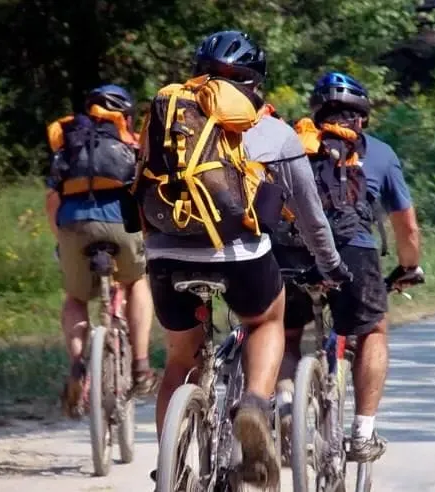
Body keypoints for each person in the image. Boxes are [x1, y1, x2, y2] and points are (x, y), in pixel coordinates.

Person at [135, 30, 350, 487]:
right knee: (265, 321)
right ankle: (253, 402)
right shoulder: (273, 129)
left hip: (165, 252)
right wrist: (331, 264)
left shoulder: (170, 118)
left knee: (180, 359)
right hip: (240, 255)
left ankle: (169, 466)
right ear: (257, 82)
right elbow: (311, 216)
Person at [272, 72, 423, 463]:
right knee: (373, 329)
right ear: (363, 115)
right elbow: (406, 225)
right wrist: (410, 266)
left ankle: (287, 402)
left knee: (284, 334)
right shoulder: (381, 153)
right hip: (353, 251)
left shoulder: (289, 143)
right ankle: (362, 433)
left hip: (290, 252)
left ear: (316, 111)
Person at [44, 84, 158, 418]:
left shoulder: (69, 142)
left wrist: (61, 239)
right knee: (137, 282)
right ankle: (140, 366)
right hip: (122, 226)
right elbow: (146, 198)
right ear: (125, 115)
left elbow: (53, 200)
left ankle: (79, 364)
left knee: (76, 299)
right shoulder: (131, 142)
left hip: (73, 226)